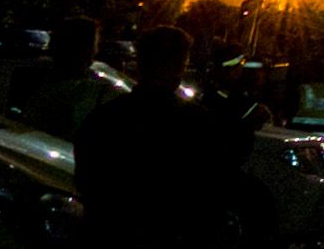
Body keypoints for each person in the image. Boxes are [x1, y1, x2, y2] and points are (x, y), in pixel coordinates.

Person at [73, 28, 251, 247]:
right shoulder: (197, 123)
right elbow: (213, 189)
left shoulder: (104, 118)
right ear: (178, 67)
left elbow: (86, 180)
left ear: (139, 65)